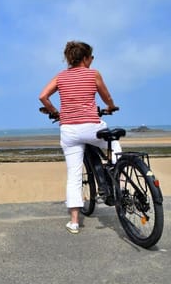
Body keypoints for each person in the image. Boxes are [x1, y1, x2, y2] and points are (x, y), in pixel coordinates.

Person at [39, 41, 122, 234]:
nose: (92, 61)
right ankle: (118, 174)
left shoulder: (61, 77)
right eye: (91, 57)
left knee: (74, 175)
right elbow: (106, 97)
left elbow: (43, 96)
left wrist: (55, 112)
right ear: (85, 58)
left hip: (70, 130)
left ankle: (74, 222)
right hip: (92, 127)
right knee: (114, 146)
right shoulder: (93, 74)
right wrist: (110, 107)